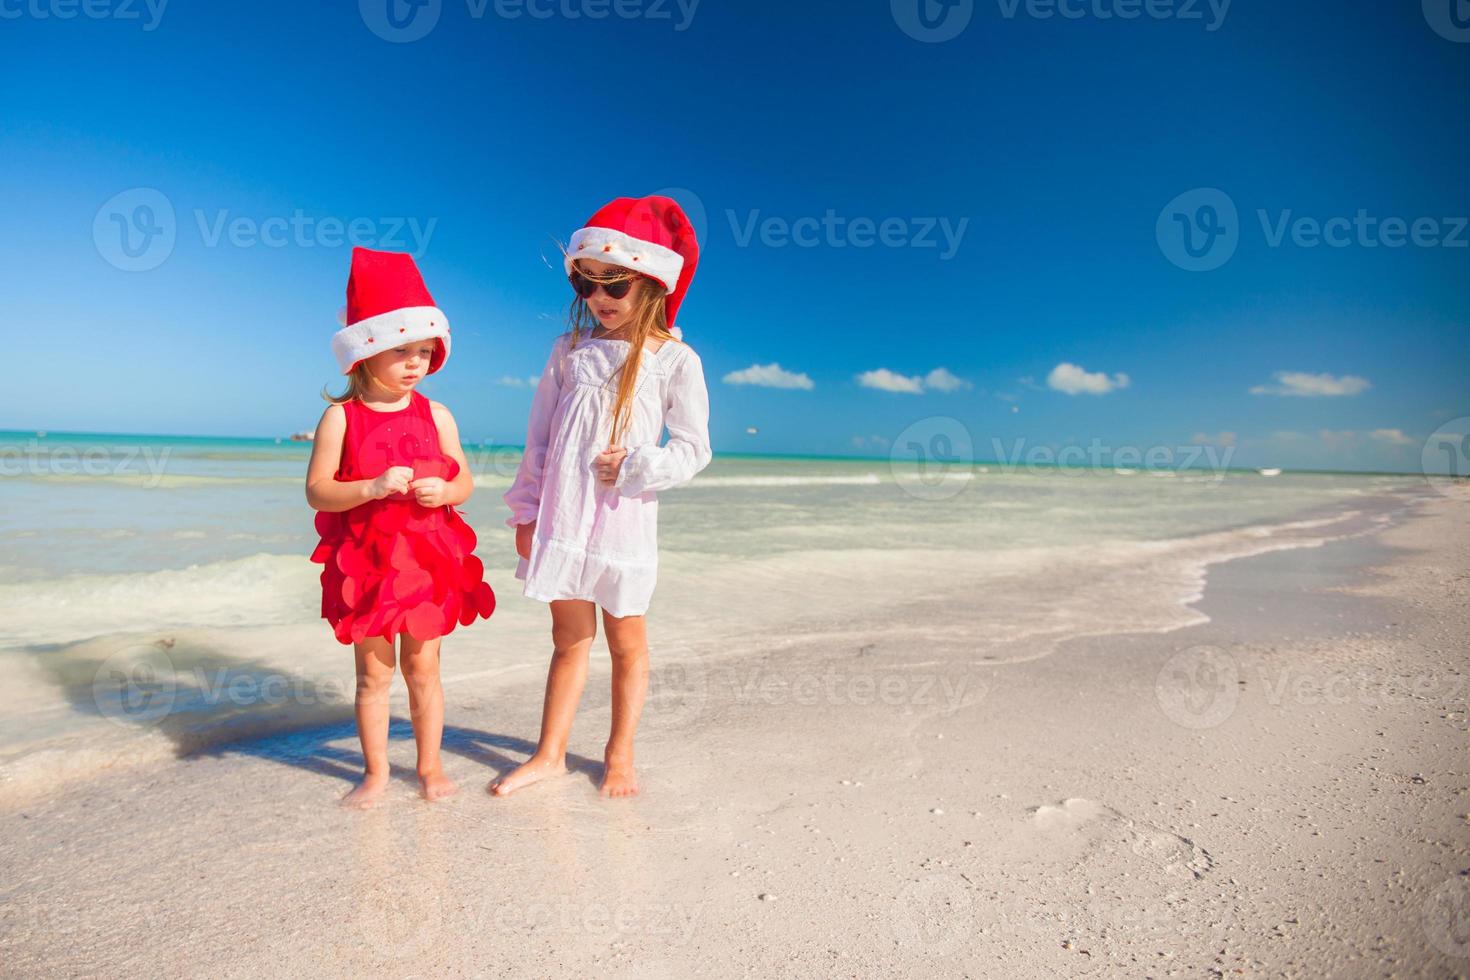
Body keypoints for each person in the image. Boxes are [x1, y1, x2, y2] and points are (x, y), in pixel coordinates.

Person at [494, 196, 712, 798]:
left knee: (626, 644)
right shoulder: (568, 351)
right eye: (586, 285)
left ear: (651, 284)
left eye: (613, 285)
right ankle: (549, 754)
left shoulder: (676, 360)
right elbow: (538, 438)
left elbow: (695, 449)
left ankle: (619, 754)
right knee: (568, 642)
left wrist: (642, 464)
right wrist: (527, 511)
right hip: (563, 520)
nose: (599, 300)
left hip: (623, 525)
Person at [305, 247, 496, 808]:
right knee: (372, 674)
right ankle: (376, 772)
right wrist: (367, 488)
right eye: (401, 351)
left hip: (427, 561)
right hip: (364, 564)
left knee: (424, 667)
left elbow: (463, 481)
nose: (415, 362)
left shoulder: (437, 415)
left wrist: (446, 491)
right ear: (364, 354)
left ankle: (430, 767)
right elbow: (317, 489)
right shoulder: (341, 417)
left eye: (423, 351)